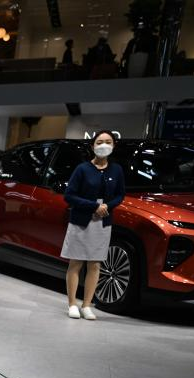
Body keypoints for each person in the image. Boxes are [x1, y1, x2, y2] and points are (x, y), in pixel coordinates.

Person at [61, 130, 124, 320]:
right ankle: (72, 304)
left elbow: (120, 194)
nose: (104, 145)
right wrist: (93, 206)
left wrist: (107, 206)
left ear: (114, 146)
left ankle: (87, 305)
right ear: (92, 146)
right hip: (81, 219)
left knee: (95, 264)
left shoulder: (117, 170)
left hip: (103, 220)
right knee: (76, 262)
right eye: (99, 142)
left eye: (108, 142)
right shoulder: (82, 169)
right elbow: (69, 195)